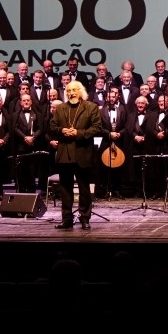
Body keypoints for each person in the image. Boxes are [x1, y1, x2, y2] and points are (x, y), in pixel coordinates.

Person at [48, 80, 103, 230]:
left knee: (84, 189)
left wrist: (78, 133)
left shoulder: (91, 107)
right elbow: (52, 126)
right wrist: (62, 131)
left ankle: (85, 218)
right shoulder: (60, 108)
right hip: (65, 153)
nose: (71, 93)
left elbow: (97, 128)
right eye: (68, 91)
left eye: (73, 90)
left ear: (80, 91)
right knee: (65, 189)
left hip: (83, 152)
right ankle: (67, 219)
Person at [11, 93, 45, 193]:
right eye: (24, 100)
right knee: (21, 170)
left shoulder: (37, 114)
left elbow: (40, 128)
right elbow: (15, 128)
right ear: (21, 102)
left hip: (33, 146)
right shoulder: (15, 115)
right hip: (21, 146)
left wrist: (33, 138)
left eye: (28, 100)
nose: (26, 102)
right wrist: (25, 137)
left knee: (32, 170)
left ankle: (32, 192)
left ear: (31, 102)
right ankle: (22, 191)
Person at [99, 86, 127, 198]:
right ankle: (106, 189)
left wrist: (120, 133)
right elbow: (99, 127)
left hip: (119, 141)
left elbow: (126, 126)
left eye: (113, 97)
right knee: (105, 167)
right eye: (109, 97)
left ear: (116, 98)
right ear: (106, 98)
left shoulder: (122, 110)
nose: (111, 99)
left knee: (118, 166)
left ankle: (117, 190)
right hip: (106, 141)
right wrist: (109, 134)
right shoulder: (100, 111)